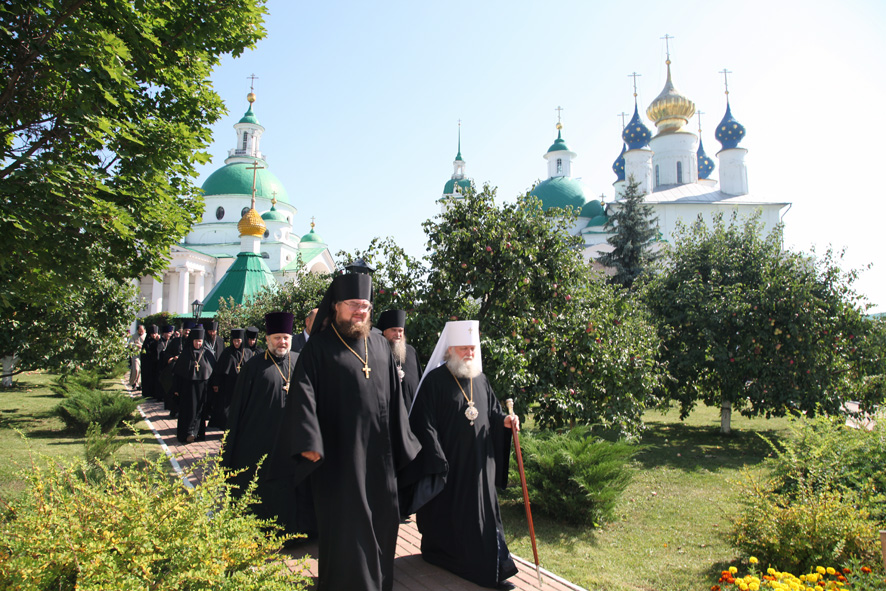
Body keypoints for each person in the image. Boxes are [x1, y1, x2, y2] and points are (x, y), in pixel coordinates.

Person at [270, 273, 420, 591]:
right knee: (346, 529)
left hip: (380, 460)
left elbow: (394, 401)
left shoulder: (380, 344)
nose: (360, 311)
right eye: (353, 304)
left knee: (383, 524)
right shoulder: (319, 349)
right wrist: (309, 442)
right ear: (336, 307)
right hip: (339, 460)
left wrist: (405, 444)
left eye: (364, 305)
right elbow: (303, 395)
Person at [401, 320, 519, 589]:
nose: (469, 352)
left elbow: (492, 414)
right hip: (449, 465)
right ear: (449, 350)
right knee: (450, 514)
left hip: (479, 463)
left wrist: (506, 423)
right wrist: (438, 457)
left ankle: (489, 567)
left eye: (472, 348)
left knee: (483, 514)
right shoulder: (434, 381)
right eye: (464, 348)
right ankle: (440, 553)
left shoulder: (481, 378)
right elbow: (422, 424)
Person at [221, 313, 316, 540]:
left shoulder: (300, 360)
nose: (282, 342)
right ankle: (262, 532)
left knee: (292, 487)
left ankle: (294, 532)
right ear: (267, 339)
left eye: (285, 337)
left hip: (293, 441)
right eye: (276, 338)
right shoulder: (253, 367)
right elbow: (238, 408)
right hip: (260, 441)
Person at [171, 326, 216, 443]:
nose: (198, 343)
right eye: (196, 341)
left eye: (200, 341)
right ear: (192, 341)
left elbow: (212, 371)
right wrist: (176, 388)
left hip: (202, 388)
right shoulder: (185, 354)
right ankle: (186, 433)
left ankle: (196, 434)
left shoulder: (207, 354)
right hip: (187, 388)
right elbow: (177, 373)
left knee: (200, 411)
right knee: (187, 410)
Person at [377, 308, 423, 410]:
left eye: (400, 331)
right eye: (394, 330)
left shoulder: (411, 351)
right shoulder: (376, 351)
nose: (398, 335)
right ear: (384, 332)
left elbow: (419, 383)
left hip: (411, 413)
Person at [208, 328, 252, 429]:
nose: (236, 343)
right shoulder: (227, 352)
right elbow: (219, 370)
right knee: (227, 408)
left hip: (242, 384)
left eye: (238, 341)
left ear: (242, 340)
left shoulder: (248, 352)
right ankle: (227, 428)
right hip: (228, 384)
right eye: (234, 341)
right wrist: (216, 383)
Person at [140, 325, 160, 399]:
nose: (154, 335)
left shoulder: (158, 341)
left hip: (156, 364)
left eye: (155, 333)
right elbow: (144, 353)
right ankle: (147, 393)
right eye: (152, 334)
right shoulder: (147, 341)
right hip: (148, 365)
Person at [128, 324, 146, 391]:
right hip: (136, 354)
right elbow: (130, 344)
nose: (141, 332)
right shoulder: (134, 336)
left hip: (144, 354)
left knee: (141, 370)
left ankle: (139, 384)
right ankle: (133, 382)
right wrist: (136, 345)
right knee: (136, 369)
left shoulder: (145, 335)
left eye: (142, 330)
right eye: (140, 330)